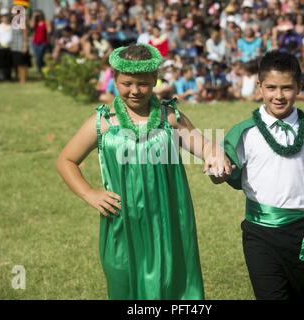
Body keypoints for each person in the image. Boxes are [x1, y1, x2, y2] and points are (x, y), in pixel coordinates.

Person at [56, 44, 231, 299]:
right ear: (114, 79)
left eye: (143, 84)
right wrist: (90, 194)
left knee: (172, 287)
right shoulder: (103, 122)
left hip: (169, 221)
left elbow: (204, 147)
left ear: (155, 80)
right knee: (125, 284)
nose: (135, 91)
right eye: (127, 83)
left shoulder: (169, 117)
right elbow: (66, 160)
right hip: (122, 222)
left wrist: (215, 157)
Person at [211, 51, 304, 300]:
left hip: (301, 230)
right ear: (260, 87)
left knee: (299, 294)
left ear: (299, 87)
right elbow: (221, 172)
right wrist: (218, 173)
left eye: (286, 88)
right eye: (271, 87)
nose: (278, 95)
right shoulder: (246, 132)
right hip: (258, 231)